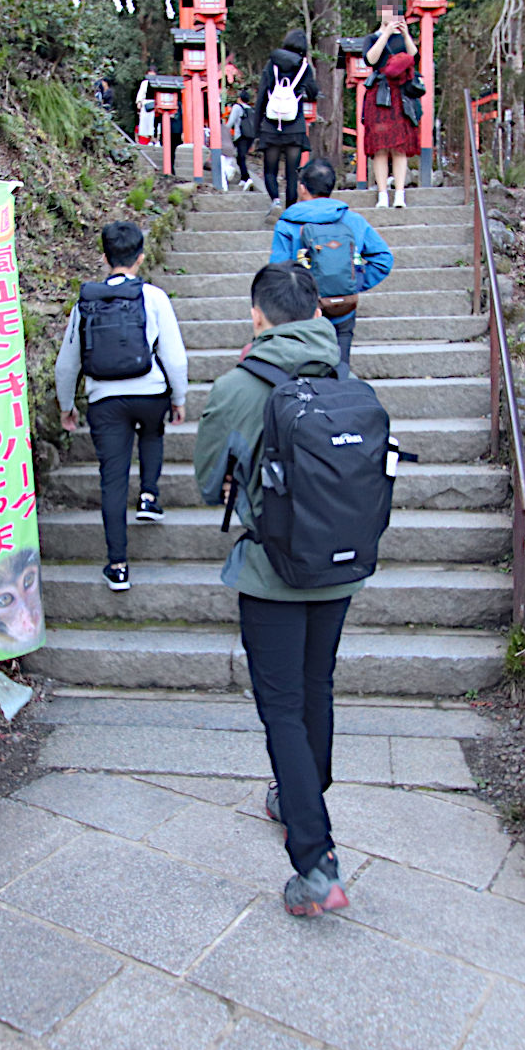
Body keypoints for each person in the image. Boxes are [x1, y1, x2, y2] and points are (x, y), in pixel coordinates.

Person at [193, 262, 357, 917]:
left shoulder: (239, 385)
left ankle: (316, 862)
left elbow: (209, 483)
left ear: (257, 316)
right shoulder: (345, 376)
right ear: (318, 313)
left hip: (271, 573)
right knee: (317, 687)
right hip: (341, 562)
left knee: (282, 707)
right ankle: (299, 794)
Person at [56, 221, 189, 591]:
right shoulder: (155, 297)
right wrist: (178, 398)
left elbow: (67, 363)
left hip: (105, 400)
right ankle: (149, 496)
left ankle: (117, 567)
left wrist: (67, 405)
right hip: (150, 392)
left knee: (112, 480)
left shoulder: (86, 301)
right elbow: (174, 358)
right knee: (151, 432)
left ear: (104, 257)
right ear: (141, 258)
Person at [271, 158, 394, 368]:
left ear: (302, 188)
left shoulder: (287, 224)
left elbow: (277, 270)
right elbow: (383, 259)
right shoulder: (352, 220)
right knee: (340, 368)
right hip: (343, 306)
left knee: (303, 371)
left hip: (303, 309)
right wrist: (353, 280)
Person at [360, 0, 421, 209]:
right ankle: (383, 193)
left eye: (393, 8)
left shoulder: (403, 38)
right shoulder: (371, 38)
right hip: (379, 94)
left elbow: (415, 57)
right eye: (386, 8)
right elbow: (370, 59)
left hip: (400, 95)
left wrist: (405, 34)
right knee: (379, 147)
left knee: (399, 146)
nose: (390, 13)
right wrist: (384, 33)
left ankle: (400, 194)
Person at [253, 29, 319, 217]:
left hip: (271, 126)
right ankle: (290, 210)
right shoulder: (304, 66)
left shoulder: (271, 64)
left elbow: (261, 97)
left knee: (270, 171)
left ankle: (275, 201)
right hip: (294, 126)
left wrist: (257, 129)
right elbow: (314, 92)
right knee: (292, 173)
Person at [226, 86, 258, 193]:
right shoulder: (250, 109)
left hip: (241, 136)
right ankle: (244, 179)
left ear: (239, 98)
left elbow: (231, 122)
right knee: (240, 157)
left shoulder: (237, 107)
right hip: (250, 136)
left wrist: (223, 130)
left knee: (241, 157)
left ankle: (248, 178)